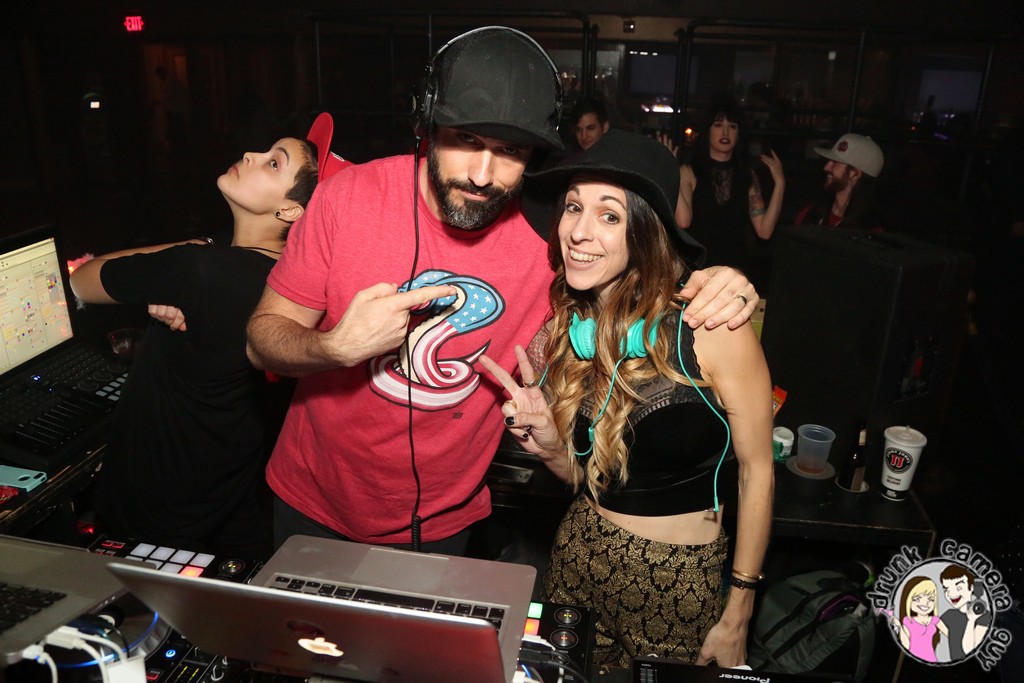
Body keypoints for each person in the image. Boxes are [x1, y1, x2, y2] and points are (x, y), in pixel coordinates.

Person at [245, 27, 760, 555]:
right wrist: (335, 347)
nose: (482, 174)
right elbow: (262, 341)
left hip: (442, 524)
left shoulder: (552, 238)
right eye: (466, 140)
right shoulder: (346, 198)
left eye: (509, 150)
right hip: (310, 503)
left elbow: (636, 268)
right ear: (427, 125)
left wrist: (718, 282)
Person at [480, 129, 774, 669]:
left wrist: (740, 610)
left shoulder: (711, 326)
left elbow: (758, 472)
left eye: (609, 215)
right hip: (577, 554)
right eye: (573, 207)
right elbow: (585, 479)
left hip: (676, 581)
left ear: (644, 230)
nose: (579, 231)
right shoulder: (575, 328)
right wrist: (552, 447)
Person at [70, 113, 347, 557]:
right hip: (227, 501)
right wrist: (181, 272)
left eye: (273, 163)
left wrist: (183, 262)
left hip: (156, 507)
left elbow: (83, 279)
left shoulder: (203, 268)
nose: (250, 154)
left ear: (290, 211)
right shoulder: (289, 283)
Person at [671, 100, 785, 291]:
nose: (725, 132)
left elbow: (764, 231)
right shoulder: (689, 172)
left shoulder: (747, 175)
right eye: (718, 125)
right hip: (699, 270)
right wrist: (671, 173)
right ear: (707, 131)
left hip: (736, 270)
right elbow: (683, 221)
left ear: (739, 133)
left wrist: (780, 183)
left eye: (732, 126)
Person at [794, 133, 885, 230]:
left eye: (835, 162)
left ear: (854, 173)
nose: (826, 167)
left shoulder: (870, 230)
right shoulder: (810, 214)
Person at [939, 565, 991, 660]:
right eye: (946, 589)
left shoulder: (984, 616)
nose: (951, 593)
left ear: (971, 587)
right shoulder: (949, 615)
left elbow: (969, 650)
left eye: (958, 588)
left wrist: (971, 620)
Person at [890, 576, 947, 662]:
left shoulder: (935, 620)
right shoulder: (908, 621)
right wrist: (899, 626)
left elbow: (951, 635)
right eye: (917, 599)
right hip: (912, 660)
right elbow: (907, 645)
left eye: (931, 599)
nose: (925, 603)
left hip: (931, 659)